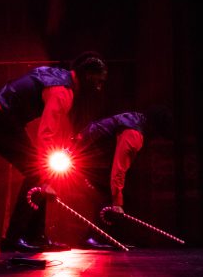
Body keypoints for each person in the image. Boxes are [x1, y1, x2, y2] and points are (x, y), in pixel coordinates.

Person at [0, 51, 108, 253]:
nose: (99, 87)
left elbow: (15, 91)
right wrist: (46, 178)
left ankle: (35, 236)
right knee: (37, 173)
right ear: (87, 74)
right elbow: (46, 134)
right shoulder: (63, 90)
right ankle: (14, 239)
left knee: (38, 173)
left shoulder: (58, 77)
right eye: (98, 81)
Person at [69, 105, 175, 249]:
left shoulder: (136, 119)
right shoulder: (133, 134)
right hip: (85, 157)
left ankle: (104, 237)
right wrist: (117, 202)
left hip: (86, 152)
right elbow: (118, 169)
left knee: (114, 195)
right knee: (111, 198)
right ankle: (94, 238)